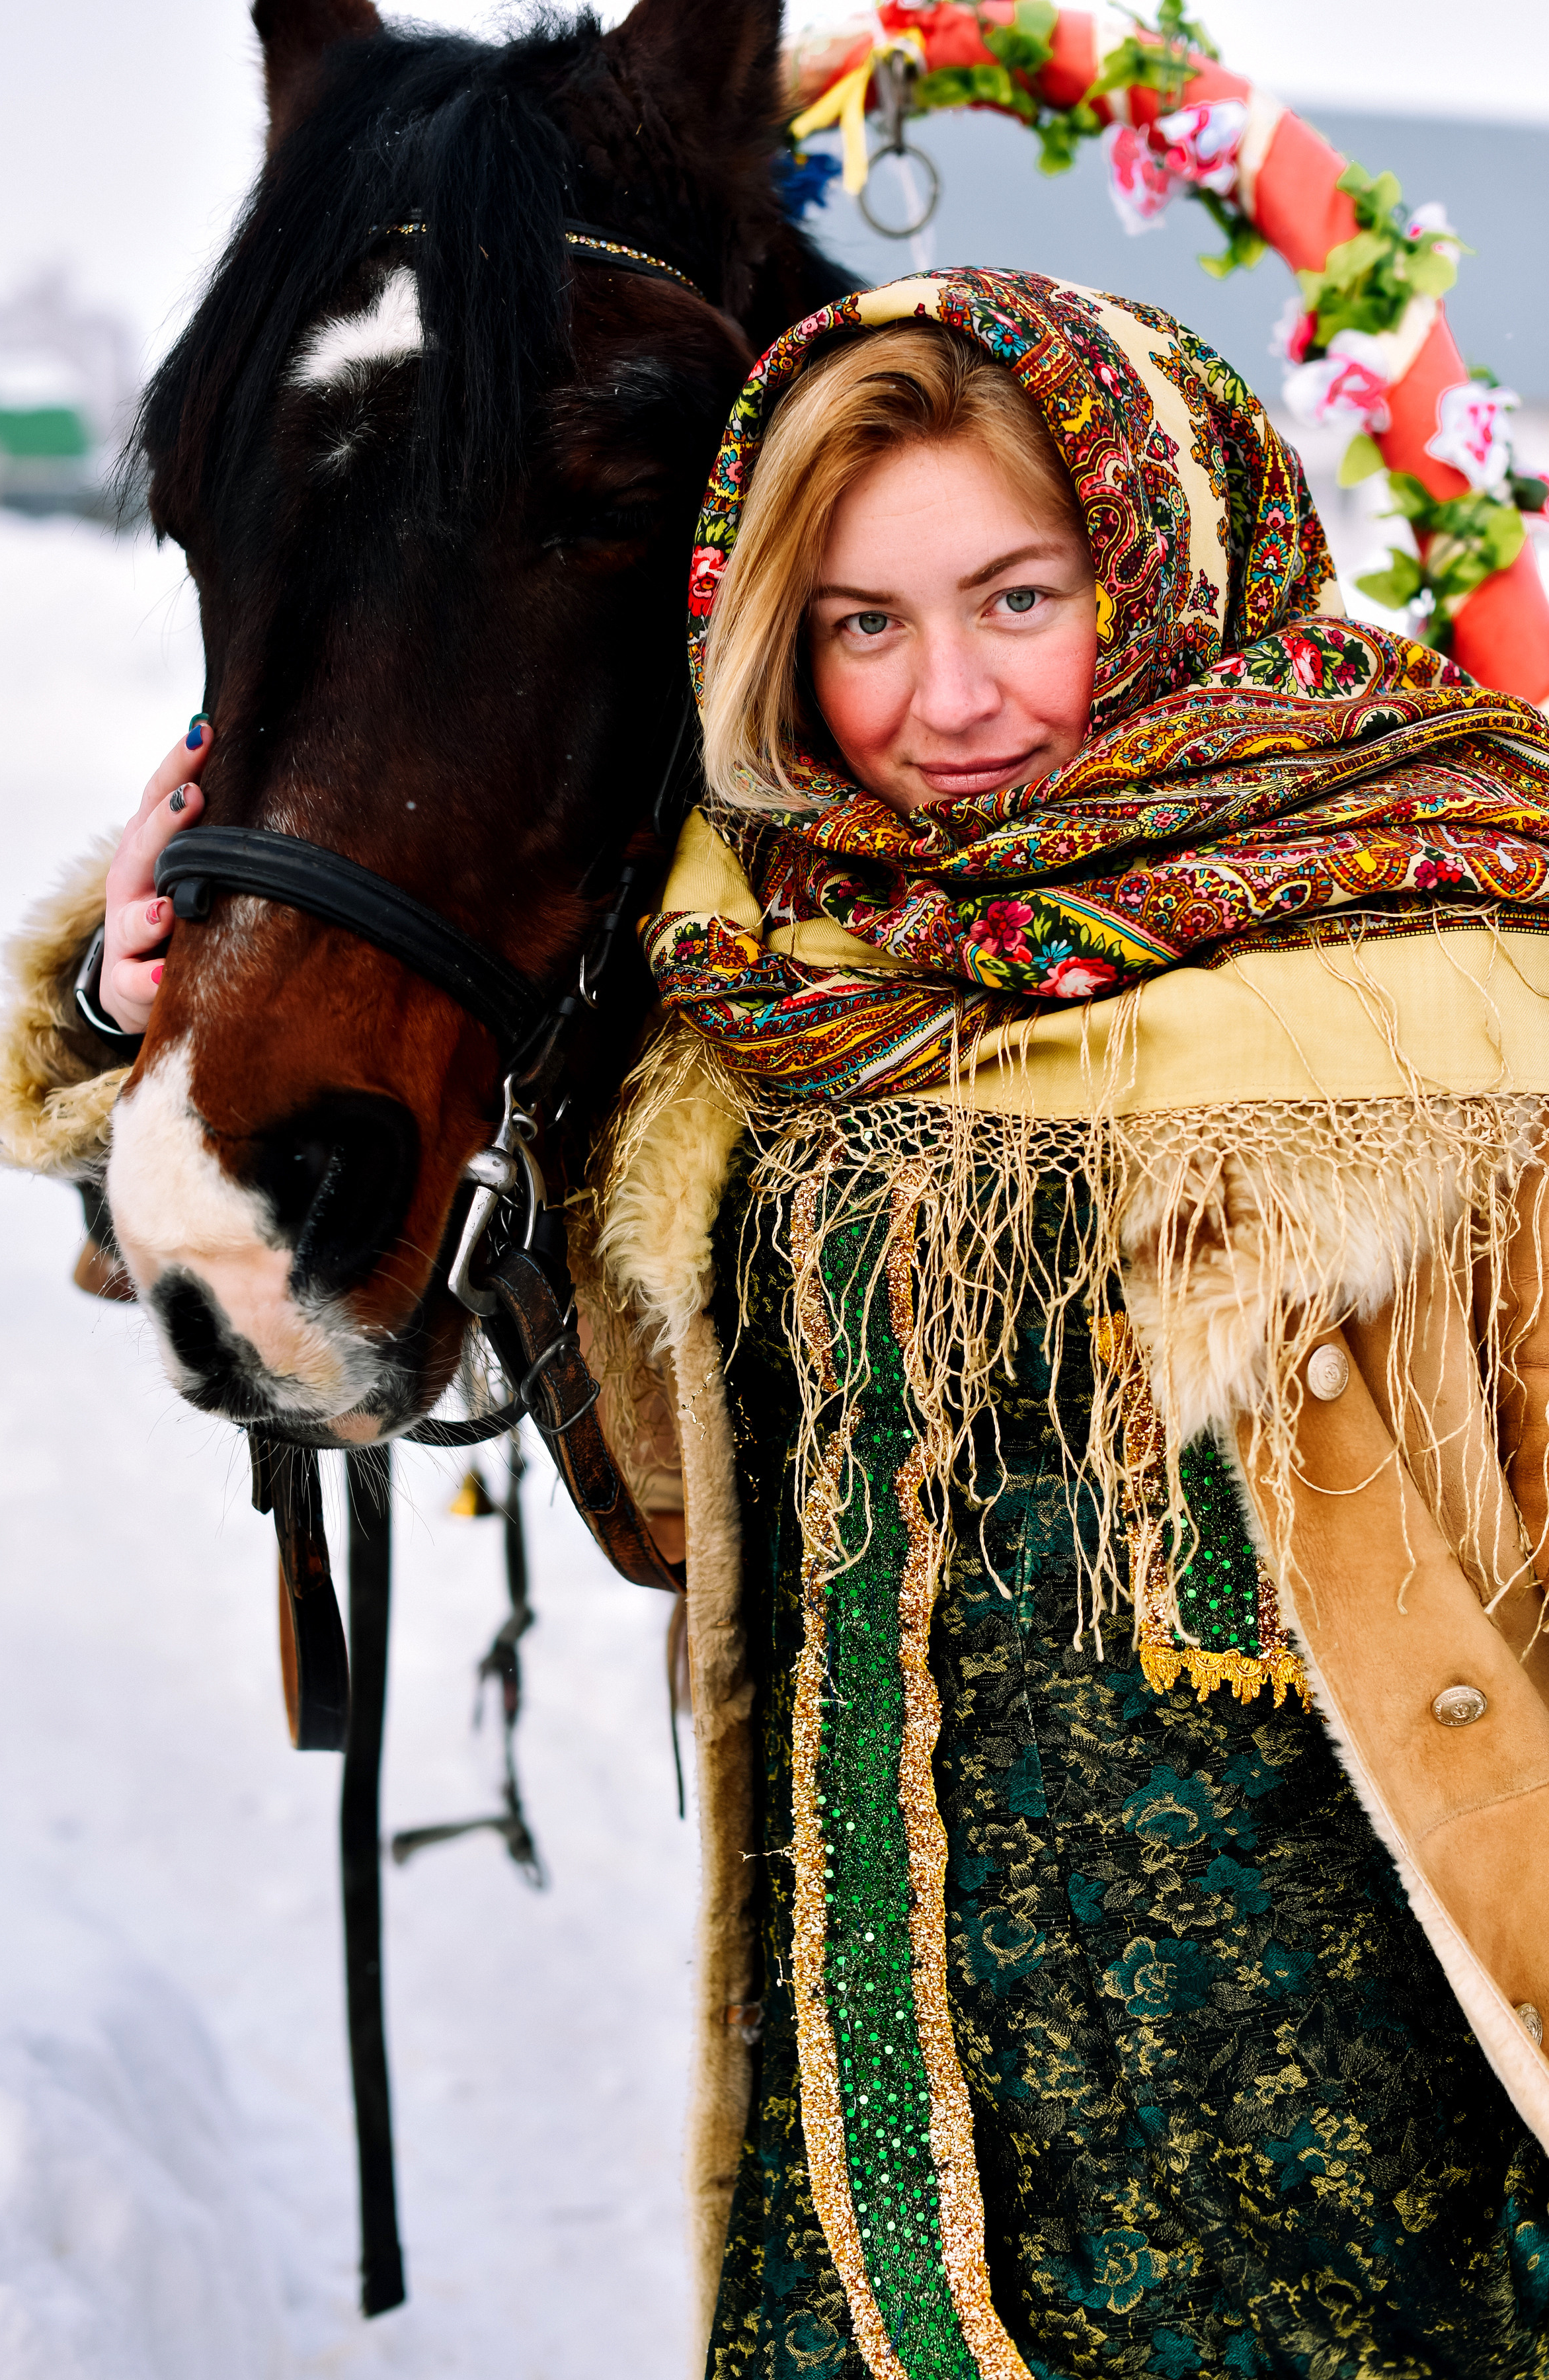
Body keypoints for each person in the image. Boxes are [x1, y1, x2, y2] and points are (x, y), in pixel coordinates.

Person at [582, 270, 1549, 2377]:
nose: (943, 702)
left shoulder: (1450, 957)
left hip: (1342, 2140)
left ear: (1162, 552)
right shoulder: (754, 962)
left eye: (1017, 596)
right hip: (880, 2121)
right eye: (860, 624)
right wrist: (117, 994)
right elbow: (338, 1159)